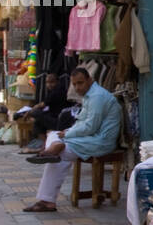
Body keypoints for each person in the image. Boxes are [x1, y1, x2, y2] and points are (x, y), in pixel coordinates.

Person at [21, 67, 121, 213]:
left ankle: (47, 200)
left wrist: (67, 134)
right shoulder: (90, 95)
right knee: (53, 134)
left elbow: (90, 127)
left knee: (59, 151)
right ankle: (54, 147)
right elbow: (82, 123)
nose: (77, 87)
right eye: (74, 84)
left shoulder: (97, 96)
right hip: (89, 137)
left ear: (90, 80)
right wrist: (67, 132)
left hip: (100, 141)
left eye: (80, 83)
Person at [19, 73, 71, 152]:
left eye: (51, 82)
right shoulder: (53, 91)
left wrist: (29, 113)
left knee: (36, 113)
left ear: (57, 82)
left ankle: (46, 146)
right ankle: (45, 145)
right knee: (38, 123)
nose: (49, 85)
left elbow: (41, 105)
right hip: (55, 118)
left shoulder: (58, 92)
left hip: (60, 121)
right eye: (47, 82)